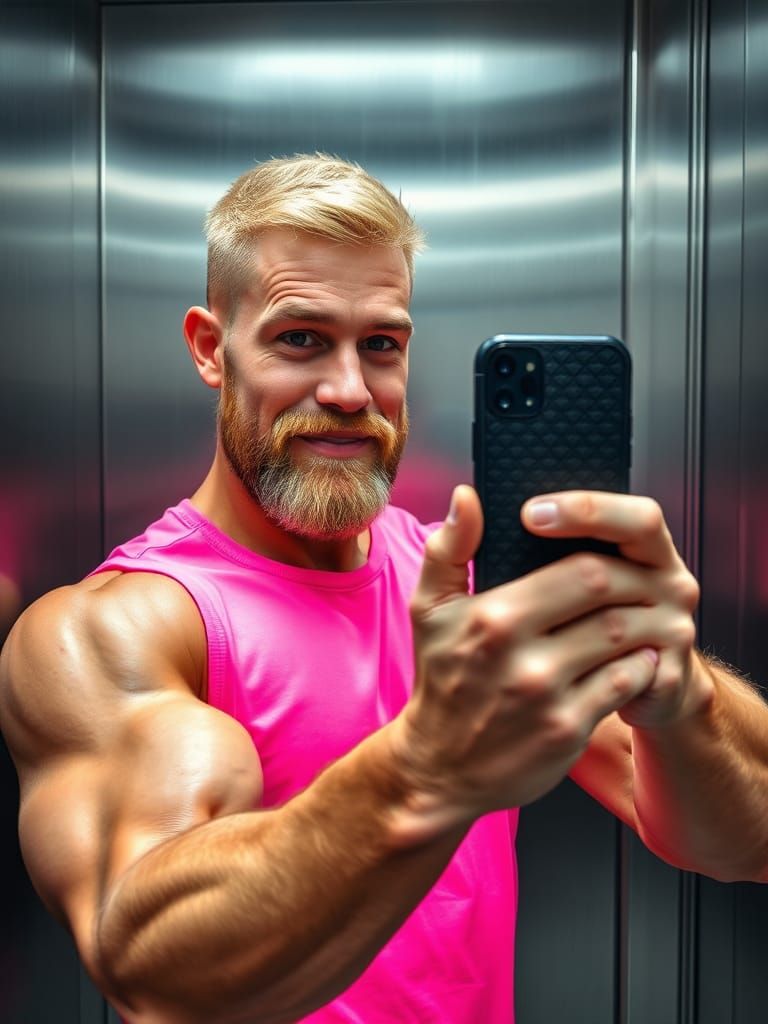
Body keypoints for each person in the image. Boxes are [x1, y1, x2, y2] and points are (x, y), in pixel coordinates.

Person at [1, 153, 767, 1024]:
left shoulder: (479, 597)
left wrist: (680, 693)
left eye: (381, 346)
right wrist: (428, 766)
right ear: (212, 349)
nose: (349, 390)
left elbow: (743, 841)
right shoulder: (119, 629)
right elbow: (155, 969)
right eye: (300, 339)